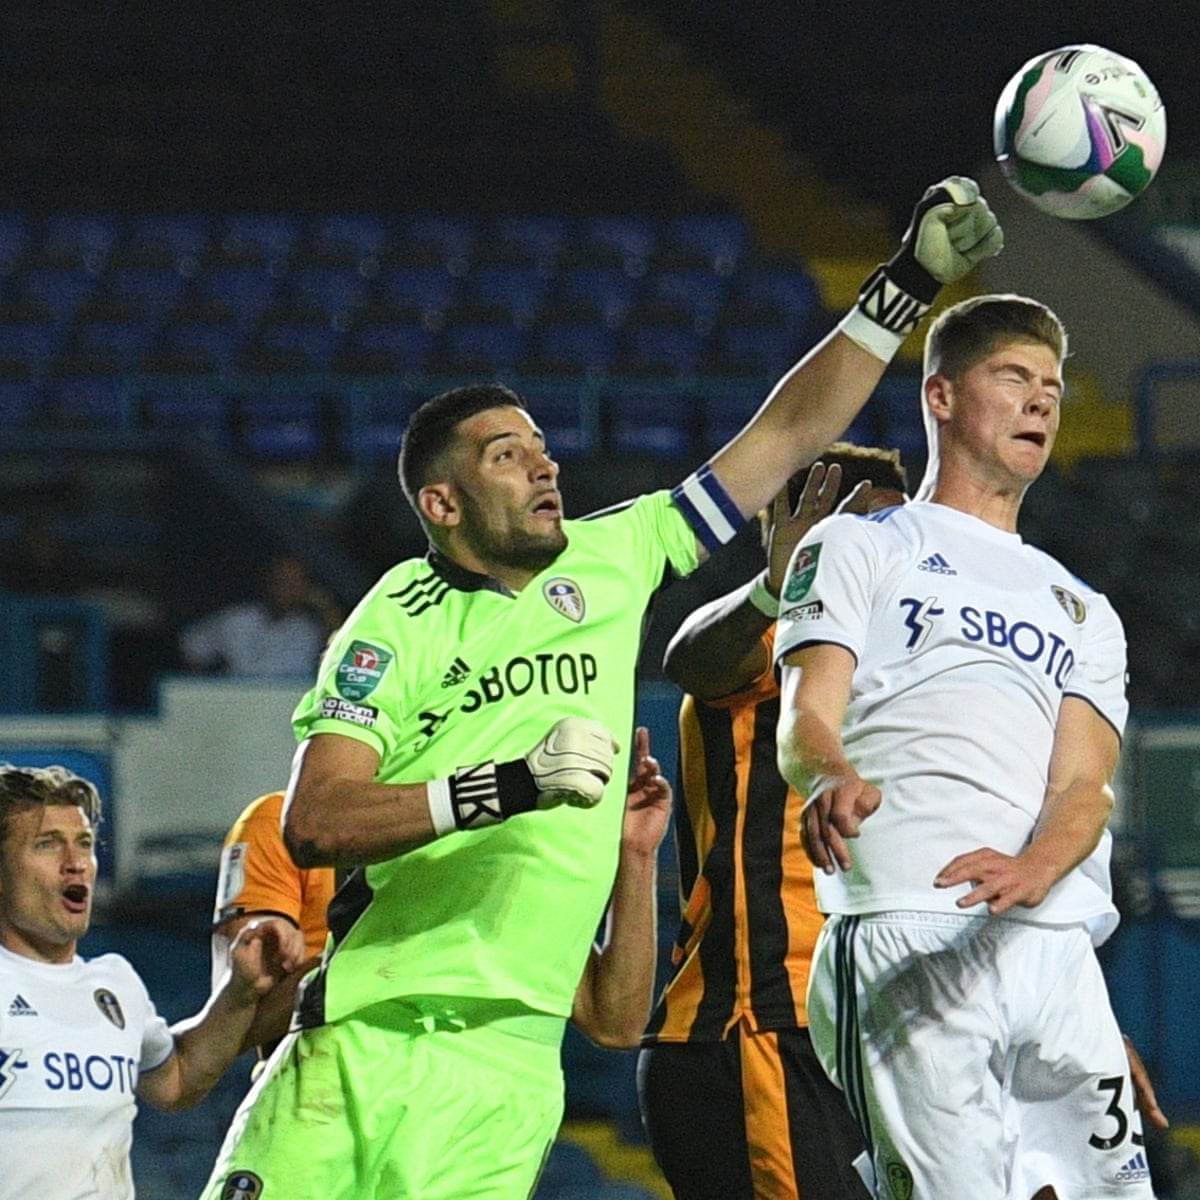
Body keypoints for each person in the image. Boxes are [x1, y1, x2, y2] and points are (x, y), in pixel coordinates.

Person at [197, 176, 1003, 1200]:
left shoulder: (613, 557)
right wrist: (510, 786)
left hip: (517, 1067)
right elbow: (315, 819)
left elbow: (788, 435)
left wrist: (908, 282)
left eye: (542, 446)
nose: (545, 467)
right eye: (506, 455)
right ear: (441, 503)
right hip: (366, 1038)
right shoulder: (396, 615)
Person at [774, 294, 1154, 1199]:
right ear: (940, 397)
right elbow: (806, 717)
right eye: (1014, 379)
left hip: (1054, 945)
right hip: (908, 923)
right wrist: (830, 776)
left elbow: (1085, 787)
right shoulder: (860, 546)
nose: (1040, 405)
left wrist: (1034, 871)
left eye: (1053, 391)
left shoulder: (1084, 608)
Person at [640, 444, 908, 1200]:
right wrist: (773, 591)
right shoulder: (774, 643)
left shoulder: (903, 666)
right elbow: (690, 660)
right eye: (862, 529)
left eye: (897, 526)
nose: (885, 550)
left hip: (868, 1030)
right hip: (761, 1021)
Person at [208, 727, 674, 1067]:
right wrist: (395, 957)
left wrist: (636, 853)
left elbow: (616, 1023)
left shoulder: (497, 833)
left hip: (470, 1121)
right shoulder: (285, 827)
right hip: (323, 1101)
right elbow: (230, 1030)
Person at [0, 762, 304, 1200]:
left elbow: (177, 1080)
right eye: (47, 845)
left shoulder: (114, 984)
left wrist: (240, 990)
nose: (76, 864)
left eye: (84, 844)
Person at [179, 553, 341, 679]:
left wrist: (323, 605)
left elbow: (346, 650)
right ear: (269, 582)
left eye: (295, 584)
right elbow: (191, 647)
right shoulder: (236, 620)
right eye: (282, 582)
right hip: (239, 702)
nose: (286, 590)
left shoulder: (309, 630)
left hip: (287, 706)